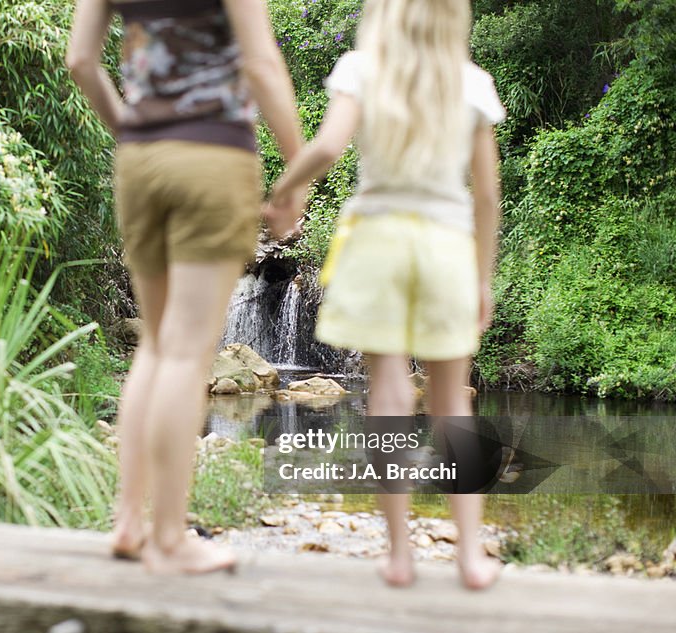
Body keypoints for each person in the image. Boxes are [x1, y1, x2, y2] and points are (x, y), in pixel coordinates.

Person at [265, 0, 505, 589]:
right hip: (447, 244)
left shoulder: (361, 68)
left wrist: (282, 190)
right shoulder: (473, 84)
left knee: (389, 392)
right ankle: (471, 557)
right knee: (454, 402)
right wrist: (482, 276)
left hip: (375, 241)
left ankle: (399, 555)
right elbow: (487, 196)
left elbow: (325, 150)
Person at [67, 0, 304, 574]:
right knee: (187, 349)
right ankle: (170, 538)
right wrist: (296, 170)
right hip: (213, 155)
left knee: (156, 343)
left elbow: (80, 61)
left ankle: (129, 522)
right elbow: (262, 64)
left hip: (140, 160)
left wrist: (130, 130)